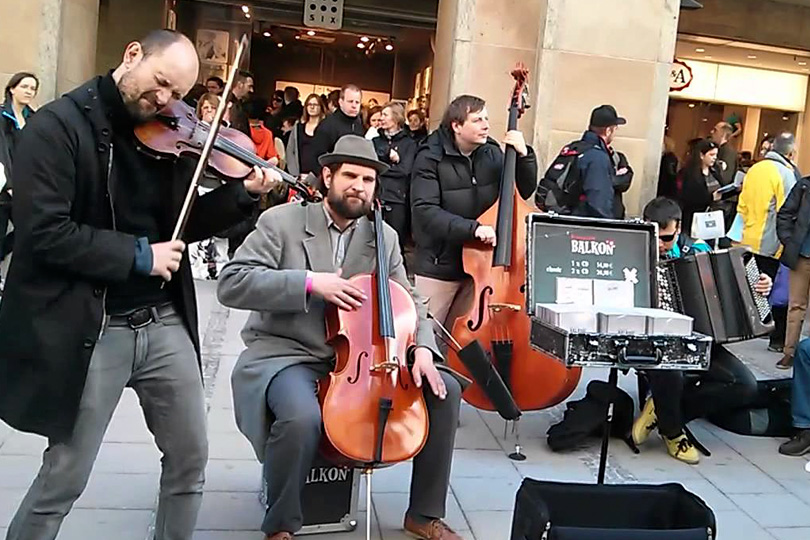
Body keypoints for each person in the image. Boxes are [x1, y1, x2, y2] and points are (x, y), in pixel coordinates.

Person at [0, 30, 281, 540]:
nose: (165, 101)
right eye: (159, 84)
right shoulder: (58, 127)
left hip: (163, 318)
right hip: (93, 321)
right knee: (66, 474)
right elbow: (44, 234)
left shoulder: (168, 132)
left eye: (177, 93)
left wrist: (243, 195)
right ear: (131, 54)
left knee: (191, 458)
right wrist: (137, 255)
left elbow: (181, 222)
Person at [217, 135, 464, 540]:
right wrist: (311, 283)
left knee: (445, 391)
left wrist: (421, 348)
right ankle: (281, 525)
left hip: (363, 357)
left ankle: (424, 513)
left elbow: (411, 299)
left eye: (368, 179)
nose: (359, 186)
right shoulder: (282, 222)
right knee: (300, 417)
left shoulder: (381, 236)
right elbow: (232, 283)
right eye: (350, 175)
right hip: (289, 352)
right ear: (327, 176)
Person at [632, 197, 770, 464]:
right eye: (655, 236)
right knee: (670, 371)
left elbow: (734, 285)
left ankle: (663, 411)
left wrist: (759, 285)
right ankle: (672, 433)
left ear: (679, 227)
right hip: (652, 339)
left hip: (699, 339)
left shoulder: (698, 250)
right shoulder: (634, 253)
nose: (660, 244)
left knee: (745, 385)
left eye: (667, 237)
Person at [410, 94, 536, 328]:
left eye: (486, 118)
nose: (486, 125)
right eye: (477, 120)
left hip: (483, 265)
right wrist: (473, 229)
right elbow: (425, 212)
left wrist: (524, 156)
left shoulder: (490, 151)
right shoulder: (429, 157)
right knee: (428, 333)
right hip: (441, 265)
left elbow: (521, 192)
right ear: (457, 126)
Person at [0, 72, 39, 270]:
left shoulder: (34, 119)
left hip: (25, 187)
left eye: (33, 88)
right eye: (24, 87)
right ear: (12, 89)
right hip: (3, 187)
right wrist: (9, 185)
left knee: (29, 229)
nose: (29, 92)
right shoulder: (1, 116)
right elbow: (2, 152)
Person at [373, 102, 417, 252]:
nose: (381, 118)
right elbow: (371, 165)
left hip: (397, 199)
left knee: (395, 244)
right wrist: (387, 159)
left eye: (385, 115)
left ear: (396, 118)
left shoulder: (409, 144)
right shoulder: (375, 141)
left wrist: (381, 168)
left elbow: (405, 170)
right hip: (375, 195)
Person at [573, 105, 626, 218]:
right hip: (584, 228)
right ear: (608, 131)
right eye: (615, 129)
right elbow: (598, 202)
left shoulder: (574, 149)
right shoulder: (598, 157)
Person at [677, 139, 723, 237]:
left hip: (713, 216)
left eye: (716, 155)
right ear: (701, 155)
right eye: (711, 155)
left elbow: (721, 190)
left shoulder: (715, 171)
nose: (714, 158)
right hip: (694, 218)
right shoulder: (689, 173)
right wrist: (710, 198)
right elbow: (687, 197)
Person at [311, 84, 364, 162]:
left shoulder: (359, 124)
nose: (354, 105)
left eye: (357, 102)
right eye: (350, 101)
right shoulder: (327, 125)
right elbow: (317, 156)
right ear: (340, 102)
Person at [286, 93, 326, 177]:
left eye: (315, 104)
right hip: (298, 176)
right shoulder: (298, 127)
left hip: (318, 177)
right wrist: (294, 174)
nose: (312, 107)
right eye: (309, 104)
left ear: (321, 107)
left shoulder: (326, 128)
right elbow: (290, 151)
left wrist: (315, 176)